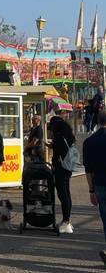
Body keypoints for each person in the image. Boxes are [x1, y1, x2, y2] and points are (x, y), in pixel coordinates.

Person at [83, 110, 106, 266]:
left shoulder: (89, 142)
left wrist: (91, 190)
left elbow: (88, 169)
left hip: (100, 184)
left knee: (105, 219)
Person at [48, 115, 75, 234]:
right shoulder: (68, 135)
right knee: (67, 193)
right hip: (68, 167)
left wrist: (53, 164)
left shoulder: (59, 137)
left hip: (61, 168)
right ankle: (67, 220)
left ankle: (66, 221)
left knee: (62, 193)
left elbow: (57, 154)